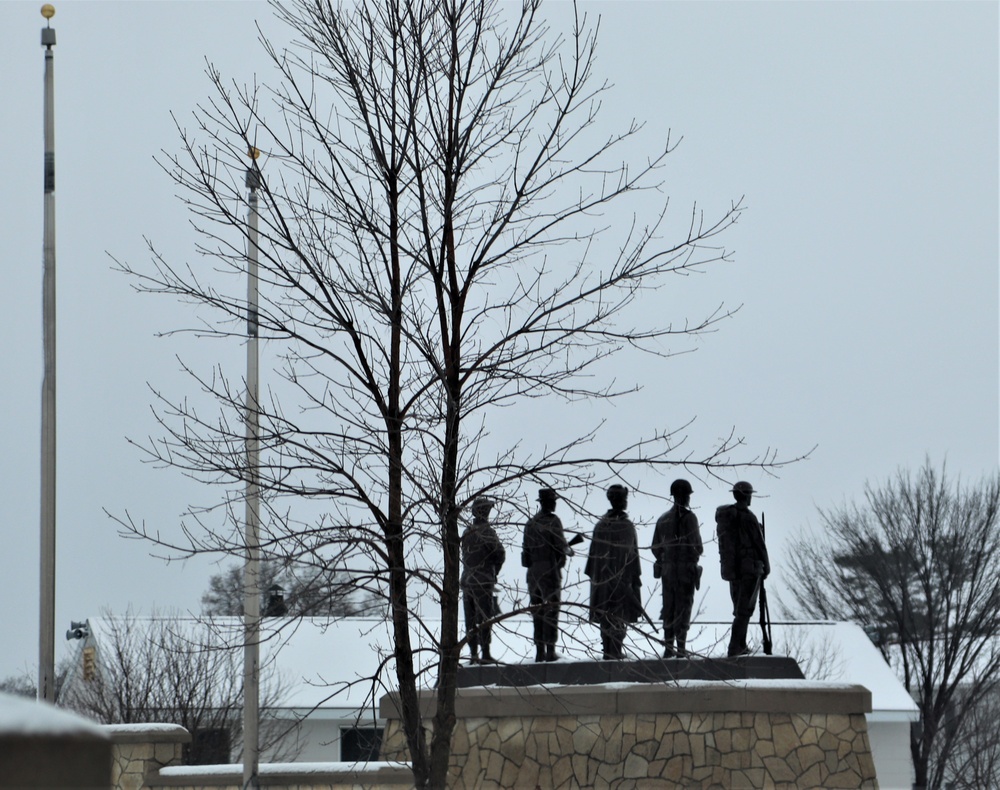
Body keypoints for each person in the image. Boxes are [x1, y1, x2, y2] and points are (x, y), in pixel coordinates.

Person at [585, 484, 642, 660]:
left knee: (608, 616)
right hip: (619, 581)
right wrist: (632, 579)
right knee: (617, 615)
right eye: (624, 498)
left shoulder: (601, 526)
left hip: (604, 582)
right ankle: (613, 650)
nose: (626, 502)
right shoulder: (625, 526)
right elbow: (631, 556)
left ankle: (609, 650)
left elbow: (592, 559)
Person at [716, 481, 769, 657]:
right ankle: (735, 646)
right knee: (744, 610)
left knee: (740, 610)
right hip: (749, 568)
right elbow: (760, 546)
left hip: (733, 569)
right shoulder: (748, 517)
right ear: (747, 496)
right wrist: (766, 567)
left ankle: (740, 644)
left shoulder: (727, 517)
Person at [651, 479, 703, 657]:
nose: (689, 498)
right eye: (688, 495)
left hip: (667, 572)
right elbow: (698, 547)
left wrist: (665, 559)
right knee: (683, 607)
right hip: (685, 571)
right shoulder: (690, 518)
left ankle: (668, 648)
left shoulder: (662, 519)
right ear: (684, 496)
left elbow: (655, 547)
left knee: (668, 608)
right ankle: (680, 648)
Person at [521, 487, 571, 662]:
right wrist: (564, 555)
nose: (555, 504)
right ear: (548, 503)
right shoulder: (553, 521)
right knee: (551, 611)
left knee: (537, 612)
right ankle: (550, 651)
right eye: (553, 501)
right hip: (549, 572)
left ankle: (539, 651)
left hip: (533, 574)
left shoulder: (530, 524)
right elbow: (561, 546)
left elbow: (524, 558)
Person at [461, 495, 506, 664]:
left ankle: (473, 654)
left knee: (470, 619)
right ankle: (485, 653)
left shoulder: (467, 532)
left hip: (467, 581)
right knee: (484, 618)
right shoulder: (487, 532)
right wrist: (493, 573)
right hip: (482, 581)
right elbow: (500, 554)